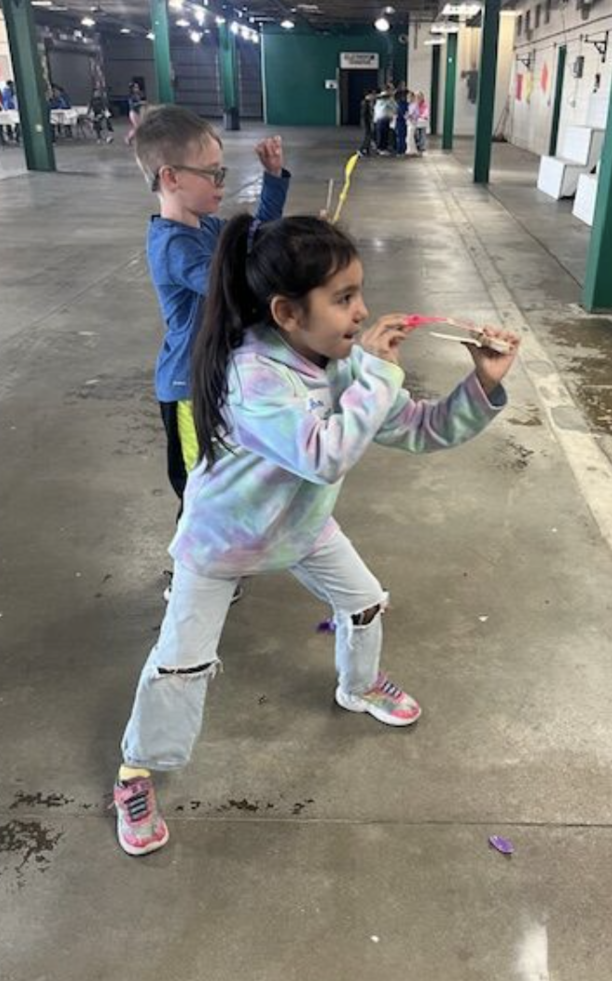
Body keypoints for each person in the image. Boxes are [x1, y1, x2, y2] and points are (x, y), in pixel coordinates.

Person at [111, 213, 520, 856]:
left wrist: (484, 382)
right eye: (343, 298)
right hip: (223, 543)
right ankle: (137, 770)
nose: (362, 312)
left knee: (364, 601)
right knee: (180, 664)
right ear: (287, 313)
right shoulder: (254, 375)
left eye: (359, 293)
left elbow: (421, 428)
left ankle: (358, 686)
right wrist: (377, 374)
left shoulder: (342, 365)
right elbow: (323, 454)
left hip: (301, 528)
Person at [132, 105, 290, 577]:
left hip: (217, 378)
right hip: (188, 389)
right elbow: (230, 282)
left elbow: (255, 238)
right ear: (171, 177)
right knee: (200, 484)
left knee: (226, 476)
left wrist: (274, 180)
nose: (221, 183)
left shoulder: (207, 227)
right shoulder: (173, 245)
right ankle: (191, 575)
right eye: (212, 173)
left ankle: (222, 557)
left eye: (222, 172)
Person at [373, 88, 396, 155]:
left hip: (381, 119)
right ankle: (382, 149)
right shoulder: (386, 101)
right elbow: (394, 108)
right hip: (383, 119)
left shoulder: (379, 101)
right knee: (383, 135)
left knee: (382, 134)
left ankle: (381, 148)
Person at [358, 89, 376, 156]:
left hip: (367, 121)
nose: (373, 96)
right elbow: (365, 114)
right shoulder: (365, 103)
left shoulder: (368, 102)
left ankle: (367, 150)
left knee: (369, 135)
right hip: (366, 122)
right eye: (372, 95)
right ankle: (362, 149)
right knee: (368, 136)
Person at [1, 79, 18, 143]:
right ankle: (15, 135)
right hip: (11, 108)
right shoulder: (9, 91)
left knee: (8, 123)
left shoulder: (4, 90)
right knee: (16, 122)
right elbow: (11, 100)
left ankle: (10, 135)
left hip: (6, 108)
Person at [394, 86, 409, 157]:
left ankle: (401, 150)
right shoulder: (402, 104)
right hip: (401, 122)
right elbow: (403, 114)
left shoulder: (400, 103)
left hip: (401, 122)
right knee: (401, 137)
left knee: (401, 137)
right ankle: (401, 151)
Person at [414, 91, 430, 156]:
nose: (418, 98)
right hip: (414, 121)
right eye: (417, 97)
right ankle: (415, 144)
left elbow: (426, 113)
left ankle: (422, 146)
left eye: (419, 97)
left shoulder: (425, 105)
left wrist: (421, 116)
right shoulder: (413, 104)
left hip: (421, 121)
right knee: (414, 131)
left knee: (422, 131)